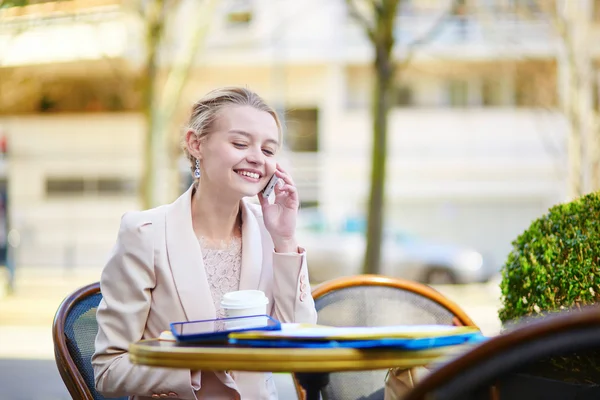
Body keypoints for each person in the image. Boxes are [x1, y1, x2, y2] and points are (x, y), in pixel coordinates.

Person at [92, 87, 318, 400]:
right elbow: (109, 370)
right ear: (196, 144)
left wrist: (285, 239)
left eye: (268, 151)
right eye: (240, 143)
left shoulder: (271, 233)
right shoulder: (144, 233)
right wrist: (200, 363)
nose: (256, 158)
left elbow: (300, 338)